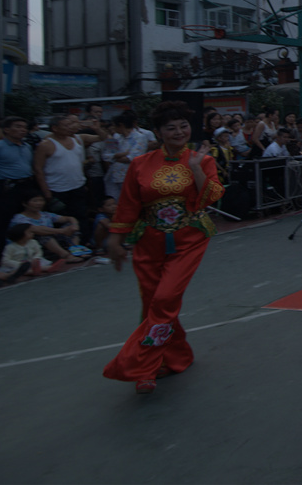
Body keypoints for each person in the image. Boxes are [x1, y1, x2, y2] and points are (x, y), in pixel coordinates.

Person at [102, 101, 225, 394]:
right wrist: (116, 240)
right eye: (171, 127)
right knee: (153, 304)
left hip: (188, 240)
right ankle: (174, 356)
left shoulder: (201, 159)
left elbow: (212, 196)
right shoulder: (139, 164)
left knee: (164, 299)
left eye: (183, 126)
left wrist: (195, 169)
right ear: (158, 132)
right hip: (149, 242)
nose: (179, 132)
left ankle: (142, 366)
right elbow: (129, 205)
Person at [33, 113, 107, 242]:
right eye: (66, 125)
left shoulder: (78, 139)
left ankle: (83, 243)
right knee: (60, 218)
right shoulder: (46, 144)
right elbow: (38, 169)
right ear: (55, 128)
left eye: (71, 124)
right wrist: (46, 192)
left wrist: (97, 128)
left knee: (81, 216)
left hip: (77, 186)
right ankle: (63, 246)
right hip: (56, 189)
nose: (70, 127)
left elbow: (104, 138)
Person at [0, 116, 36, 261]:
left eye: (24, 127)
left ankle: (25, 254)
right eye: (18, 126)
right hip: (5, 187)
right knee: (2, 223)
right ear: (6, 129)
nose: (22, 130)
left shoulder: (27, 146)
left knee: (24, 222)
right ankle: (0, 257)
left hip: (26, 186)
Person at [9, 189, 85, 262]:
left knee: (69, 226)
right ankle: (66, 255)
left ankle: (76, 251)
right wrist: (61, 231)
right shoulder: (19, 218)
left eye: (41, 200)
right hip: (30, 245)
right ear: (25, 203)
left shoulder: (45, 214)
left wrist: (74, 225)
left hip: (53, 241)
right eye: (35, 201)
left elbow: (69, 218)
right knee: (43, 235)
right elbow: (35, 229)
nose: (39, 203)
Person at [104, 111, 158, 200]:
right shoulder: (115, 137)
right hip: (113, 176)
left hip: (130, 175)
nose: (112, 128)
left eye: (114, 125)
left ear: (121, 125)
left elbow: (133, 158)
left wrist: (115, 156)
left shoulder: (140, 137)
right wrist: (122, 154)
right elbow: (106, 155)